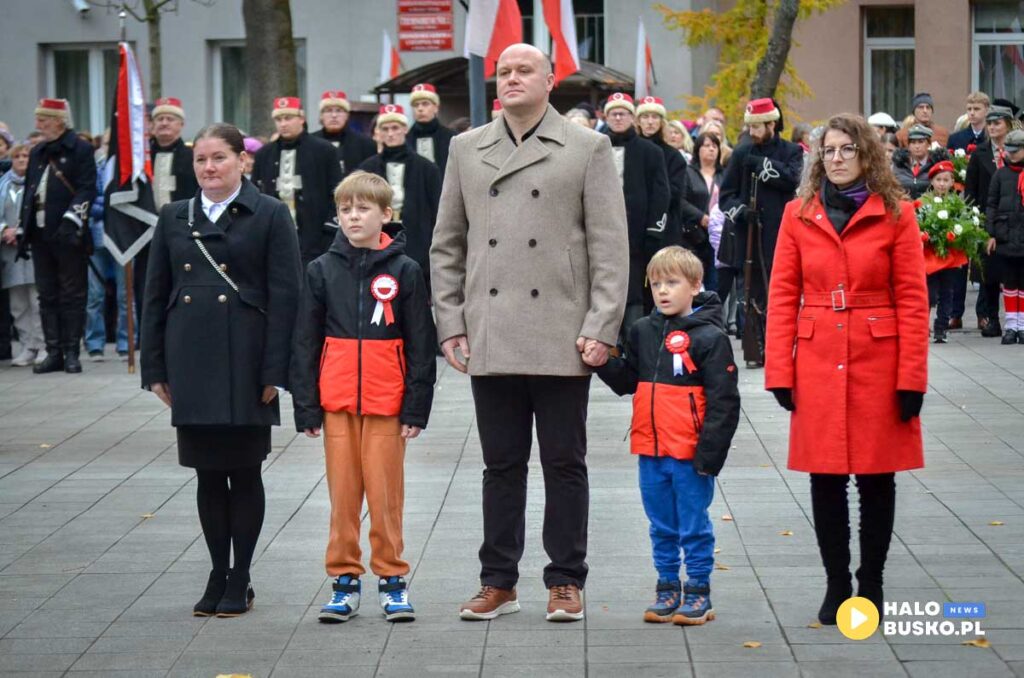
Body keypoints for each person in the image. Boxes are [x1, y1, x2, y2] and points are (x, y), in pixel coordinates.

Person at [431, 43, 628, 623]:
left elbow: (610, 248)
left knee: (565, 463)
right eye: (504, 72)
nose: (512, 78)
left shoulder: (588, 147)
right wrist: (450, 323)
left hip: (564, 330)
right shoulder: (466, 148)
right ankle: (499, 581)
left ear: (549, 80)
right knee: (501, 464)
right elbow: (447, 245)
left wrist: (602, 325)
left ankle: (566, 579)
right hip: (490, 330)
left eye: (524, 70)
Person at [765, 113, 928, 625]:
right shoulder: (798, 213)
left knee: (878, 479)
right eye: (828, 150)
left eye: (846, 150)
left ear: (867, 156)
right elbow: (782, 294)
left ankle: (871, 583)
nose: (835, 159)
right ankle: (837, 584)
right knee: (825, 477)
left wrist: (912, 379)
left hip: (878, 358)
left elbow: (913, 300)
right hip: (816, 357)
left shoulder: (897, 214)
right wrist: (779, 372)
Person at [140, 123, 302, 618]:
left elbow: (287, 296)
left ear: (242, 161)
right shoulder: (173, 216)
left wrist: (277, 371)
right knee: (207, 475)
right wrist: (154, 367)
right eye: (201, 160)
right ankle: (216, 570)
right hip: (191, 358)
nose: (209, 168)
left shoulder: (271, 213)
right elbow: (154, 295)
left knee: (244, 471)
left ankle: (241, 575)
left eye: (219, 158)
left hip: (248, 361)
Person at [290, 171, 436, 623]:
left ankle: (392, 580)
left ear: (385, 215)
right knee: (343, 494)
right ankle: (344, 580)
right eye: (345, 209)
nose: (353, 216)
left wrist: (416, 406)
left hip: (387, 403)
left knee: (386, 493)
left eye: (363, 208)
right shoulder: (320, 269)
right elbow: (305, 341)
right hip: (336, 403)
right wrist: (306, 405)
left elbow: (420, 343)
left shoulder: (405, 270)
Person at [594, 246, 739, 626]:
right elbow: (628, 381)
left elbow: (724, 402)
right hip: (651, 450)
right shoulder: (643, 330)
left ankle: (699, 591)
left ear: (695, 286)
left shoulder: (710, 337)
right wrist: (603, 363)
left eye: (672, 283)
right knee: (660, 524)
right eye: (656, 283)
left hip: (690, 453)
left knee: (693, 524)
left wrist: (709, 455)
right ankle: (667, 586)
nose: (662, 291)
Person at [718, 97, 803, 367]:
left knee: (781, 292)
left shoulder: (791, 151)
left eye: (757, 127)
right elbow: (726, 197)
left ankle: (780, 347)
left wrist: (764, 166)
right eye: (750, 127)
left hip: (781, 234)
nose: (752, 132)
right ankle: (755, 349)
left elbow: (792, 178)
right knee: (751, 293)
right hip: (750, 237)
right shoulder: (741, 153)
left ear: (772, 124)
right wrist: (742, 211)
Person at [17, 99, 97, 374]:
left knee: (72, 294)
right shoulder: (38, 151)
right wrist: (22, 227)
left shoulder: (82, 149)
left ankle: (72, 352)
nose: (38, 125)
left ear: (60, 121)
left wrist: (71, 218)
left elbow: (88, 188)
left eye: (44, 120)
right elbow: (30, 192)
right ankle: (54, 352)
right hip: (39, 233)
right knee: (47, 294)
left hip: (68, 233)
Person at [602, 92, 670, 336]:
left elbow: (661, 193)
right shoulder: (595, 146)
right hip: (602, 230)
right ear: (606, 117)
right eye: (614, 114)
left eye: (623, 114)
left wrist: (654, 229)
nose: (618, 118)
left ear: (633, 118)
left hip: (637, 232)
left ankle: (633, 337)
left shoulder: (650, 151)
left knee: (634, 289)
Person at [358, 104, 442, 295]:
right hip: (377, 249)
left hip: (419, 250)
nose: (390, 134)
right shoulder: (366, 169)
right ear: (378, 132)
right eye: (385, 129)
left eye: (395, 128)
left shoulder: (427, 169)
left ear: (405, 129)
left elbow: (438, 212)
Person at [251, 97, 342, 265]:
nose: (283, 124)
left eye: (288, 118)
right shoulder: (264, 154)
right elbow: (255, 193)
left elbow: (337, 192)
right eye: (279, 119)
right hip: (274, 235)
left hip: (316, 236)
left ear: (301, 118)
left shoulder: (324, 151)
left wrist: (330, 228)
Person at [966, 104, 1017, 337]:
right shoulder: (980, 153)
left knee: (1014, 272)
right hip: (987, 218)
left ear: (1008, 124)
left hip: (1015, 221)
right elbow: (971, 191)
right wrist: (976, 222)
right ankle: (991, 319)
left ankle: (1016, 321)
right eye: (990, 123)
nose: (993, 127)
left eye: (997, 123)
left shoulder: (1018, 150)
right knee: (988, 273)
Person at [0, 143, 44, 366]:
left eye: (26, 155)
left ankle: (45, 344)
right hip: (9, 250)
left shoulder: (38, 181)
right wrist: (3, 230)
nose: (22, 160)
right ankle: (28, 345)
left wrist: (22, 230)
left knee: (37, 300)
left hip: (32, 248)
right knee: (18, 304)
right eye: (17, 156)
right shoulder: (3, 184)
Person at [86, 145, 128, 361]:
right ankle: (94, 344)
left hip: (123, 239)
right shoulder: (92, 170)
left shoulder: (126, 170)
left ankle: (126, 343)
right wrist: (109, 207)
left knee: (125, 295)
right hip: (96, 238)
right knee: (94, 295)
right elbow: (88, 202)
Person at [984, 128, 1024, 344]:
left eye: (1016, 150)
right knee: (1009, 282)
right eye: (1009, 150)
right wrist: (990, 233)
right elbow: (991, 205)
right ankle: (1010, 325)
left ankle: (1022, 326)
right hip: (1005, 234)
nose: (1011, 154)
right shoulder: (1001, 174)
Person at [636, 96, 687, 255]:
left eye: (655, 117)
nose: (650, 121)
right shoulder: (631, 151)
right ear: (638, 121)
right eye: (645, 117)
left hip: (665, 227)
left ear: (661, 122)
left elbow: (674, 193)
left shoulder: (673, 156)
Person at [680, 132, 724, 292]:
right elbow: (681, 201)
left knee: (714, 285)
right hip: (694, 236)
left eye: (714, 146)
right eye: (706, 145)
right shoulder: (688, 172)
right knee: (692, 282)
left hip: (718, 238)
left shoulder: (724, 175)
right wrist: (701, 217)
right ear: (697, 149)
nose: (711, 149)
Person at [923, 160, 959, 343]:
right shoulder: (923, 202)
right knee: (929, 293)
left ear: (952, 182)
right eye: (939, 180)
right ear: (932, 181)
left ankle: (941, 327)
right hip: (930, 257)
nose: (942, 184)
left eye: (946, 180)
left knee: (947, 292)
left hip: (950, 257)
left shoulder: (957, 204)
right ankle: (923, 326)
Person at [312, 90, 377, 178]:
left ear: (347, 115)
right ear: (321, 116)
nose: (334, 115)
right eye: (328, 111)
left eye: (339, 111)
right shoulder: (311, 142)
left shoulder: (366, 144)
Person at [406, 83, 456, 180]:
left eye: (425, 104)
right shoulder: (406, 139)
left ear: (436, 107)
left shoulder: (451, 137)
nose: (420, 109)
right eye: (416, 105)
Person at [892, 124, 943, 199]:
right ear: (908, 145)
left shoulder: (936, 164)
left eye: (921, 142)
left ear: (929, 144)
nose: (917, 146)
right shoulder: (899, 164)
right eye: (913, 142)